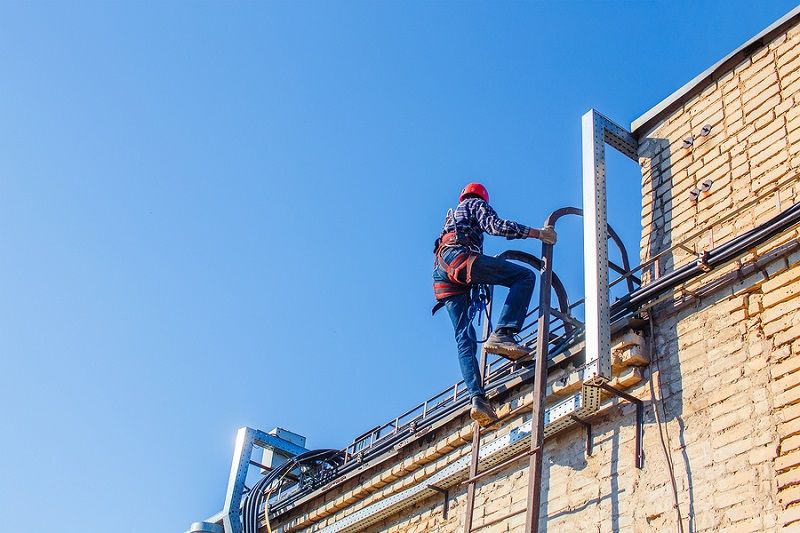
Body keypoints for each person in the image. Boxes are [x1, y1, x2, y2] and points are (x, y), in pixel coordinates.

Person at [432, 183, 556, 426]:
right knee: (524, 277)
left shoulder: (452, 216)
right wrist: (538, 234)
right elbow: (495, 226)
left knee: (463, 339)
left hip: (443, 274)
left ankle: (478, 399)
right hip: (460, 260)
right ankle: (503, 333)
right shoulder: (474, 204)